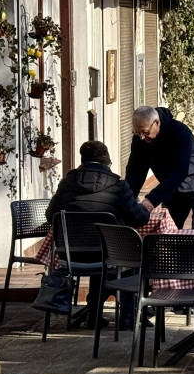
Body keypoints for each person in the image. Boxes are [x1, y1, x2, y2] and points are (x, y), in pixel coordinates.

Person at [46, 141, 150, 329]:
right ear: (107, 161)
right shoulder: (118, 185)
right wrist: (142, 207)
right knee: (131, 256)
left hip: (70, 255)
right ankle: (128, 316)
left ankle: (93, 315)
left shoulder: (66, 183)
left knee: (102, 251)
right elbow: (139, 219)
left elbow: (50, 216)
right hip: (109, 254)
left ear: (82, 160)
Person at [124, 106, 194, 229]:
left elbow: (179, 172)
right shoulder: (140, 139)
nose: (142, 137)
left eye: (145, 132)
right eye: (137, 133)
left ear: (157, 123)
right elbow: (135, 171)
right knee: (168, 233)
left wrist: (151, 201)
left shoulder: (178, 132)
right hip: (174, 190)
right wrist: (128, 201)